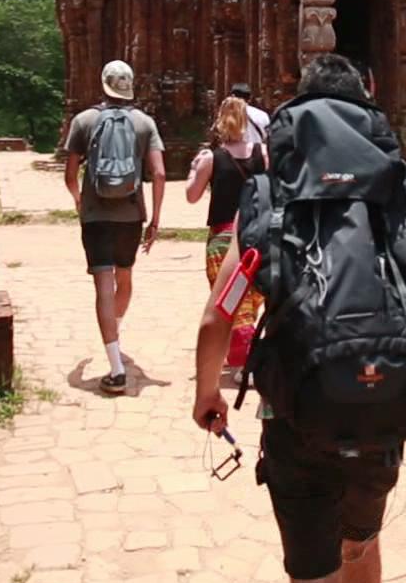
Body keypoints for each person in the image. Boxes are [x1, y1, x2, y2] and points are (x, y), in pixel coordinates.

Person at [192, 53, 406, 583]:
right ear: (368, 105)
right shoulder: (395, 196)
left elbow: (220, 313)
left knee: (312, 566)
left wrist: (208, 393)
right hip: (384, 407)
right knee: (361, 537)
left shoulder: (267, 196)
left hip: (296, 413)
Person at [60, 60, 165, 395]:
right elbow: (159, 173)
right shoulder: (144, 123)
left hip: (96, 215)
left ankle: (116, 366)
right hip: (132, 214)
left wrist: (79, 199)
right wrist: (156, 218)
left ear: (103, 84)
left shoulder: (84, 120)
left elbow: (70, 172)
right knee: (125, 279)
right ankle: (114, 334)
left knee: (103, 288)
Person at [184, 96, 266, 367]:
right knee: (250, 298)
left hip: (222, 239)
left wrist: (193, 171)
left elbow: (192, 196)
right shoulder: (263, 154)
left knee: (232, 301)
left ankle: (246, 360)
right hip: (255, 236)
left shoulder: (211, 158)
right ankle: (243, 351)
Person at [229, 81, 271, 148]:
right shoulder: (262, 115)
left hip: (233, 155)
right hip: (257, 154)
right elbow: (268, 137)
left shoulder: (227, 116)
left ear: (232, 97)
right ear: (250, 98)